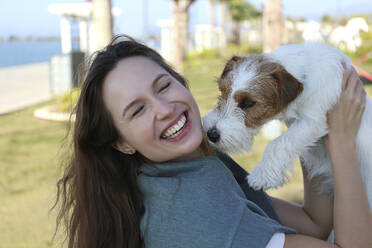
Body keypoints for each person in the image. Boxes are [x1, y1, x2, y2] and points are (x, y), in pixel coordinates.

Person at [55, 36, 372, 248]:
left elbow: (313, 223)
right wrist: (342, 145)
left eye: (164, 86)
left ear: (182, 83)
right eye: (137, 110)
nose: (165, 110)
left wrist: (307, 119)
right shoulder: (197, 217)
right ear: (121, 143)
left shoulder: (191, 168)